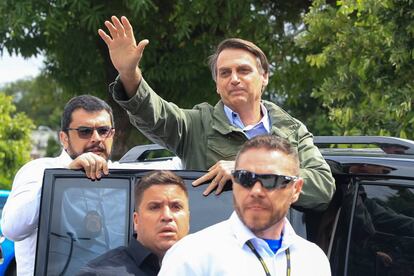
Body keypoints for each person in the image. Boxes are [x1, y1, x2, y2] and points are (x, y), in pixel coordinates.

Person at [98, 16, 335, 210]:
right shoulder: (196, 125)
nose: (234, 79)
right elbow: (154, 114)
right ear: (217, 84)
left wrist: (250, 171)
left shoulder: (292, 130)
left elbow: (322, 187)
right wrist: (129, 73)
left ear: (264, 77)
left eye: (243, 70)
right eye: (224, 73)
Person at [158, 135, 331, 275]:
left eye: (270, 180)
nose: (256, 191)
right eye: (245, 178)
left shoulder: (313, 259)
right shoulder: (192, 255)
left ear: (296, 189)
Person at [1, 95, 116, 276]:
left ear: (112, 135)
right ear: (64, 138)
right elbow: (12, 229)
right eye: (85, 131)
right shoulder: (38, 171)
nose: (96, 138)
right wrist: (65, 176)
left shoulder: (119, 177)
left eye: (103, 130)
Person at [77, 170, 190, 276]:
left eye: (176, 207)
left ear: (188, 218)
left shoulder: (205, 268)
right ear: (136, 221)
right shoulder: (98, 273)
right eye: (155, 207)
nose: (167, 216)